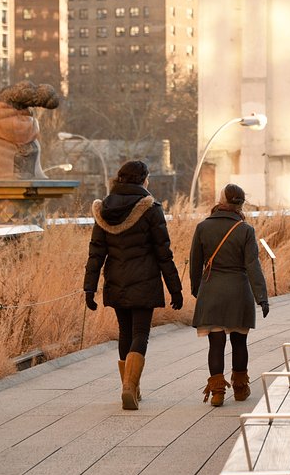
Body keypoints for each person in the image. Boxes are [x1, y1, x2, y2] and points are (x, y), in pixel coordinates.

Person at [84, 160, 183, 410]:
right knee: (141, 333)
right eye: (147, 178)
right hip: (145, 280)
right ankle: (131, 387)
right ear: (142, 179)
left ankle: (130, 388)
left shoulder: (103, 210)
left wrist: (89, 287)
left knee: (125, 332)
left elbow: (96, 253)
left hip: (116, 280)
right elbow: (164, 253)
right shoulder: (151, 209)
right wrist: (175, 288)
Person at [189, 183, 269, 406]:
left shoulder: (203, 227)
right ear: (240, 204)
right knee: (239, 342)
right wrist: (261, 297)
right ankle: (241, 389)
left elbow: (195, 263)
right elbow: (253, 266)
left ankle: (217, 393)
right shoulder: (245, 230)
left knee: (216, 344)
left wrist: (197, 289)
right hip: (238, 291)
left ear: (221, 201)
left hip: (211, 289)